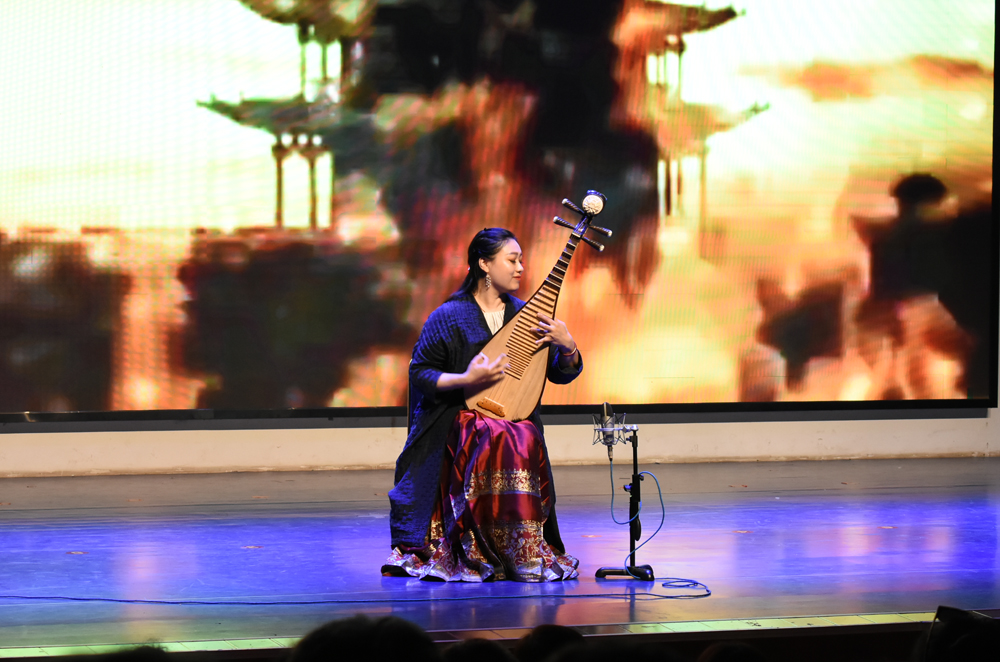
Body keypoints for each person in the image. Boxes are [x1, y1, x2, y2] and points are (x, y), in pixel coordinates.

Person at [382, 227, 582, 582]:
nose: (520, 268)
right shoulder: (448, 316)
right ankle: (471, 543)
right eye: (512, 260)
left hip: (513, 418)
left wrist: (568, 346)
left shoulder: (527, 315)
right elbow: (421, 373)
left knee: (521, 434)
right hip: (455, 420)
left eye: (521, 260)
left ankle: (516, 548)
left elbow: (558, 373)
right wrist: (466, 379)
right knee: (489, 432)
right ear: (484, 264)